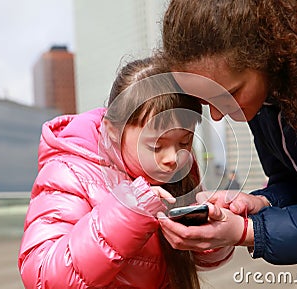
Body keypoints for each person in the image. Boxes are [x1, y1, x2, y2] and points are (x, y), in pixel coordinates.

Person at [157, 0, 297, 288]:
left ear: (268, 50)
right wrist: (261, 202)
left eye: (229, 93)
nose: (219, 113)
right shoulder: (267, 88)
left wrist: (248, 231)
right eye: (205, 101)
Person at [17, 58, 234, 289]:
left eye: (184, 141)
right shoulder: (69, 172)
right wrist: (128, 211)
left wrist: (214, 234)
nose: (173, 158)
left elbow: (198, 261)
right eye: (156, 146)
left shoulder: (179, 169)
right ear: (113, 131)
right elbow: (41, 275)